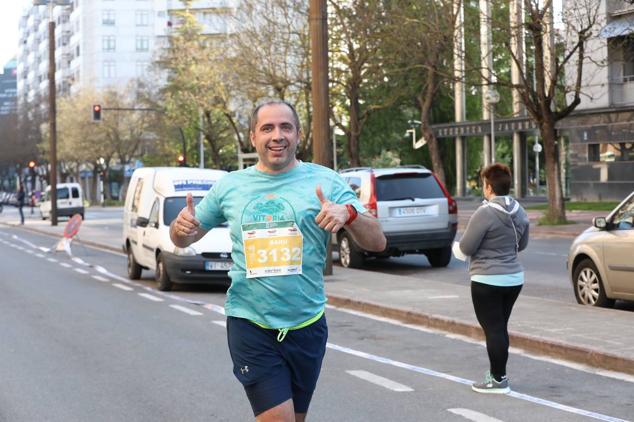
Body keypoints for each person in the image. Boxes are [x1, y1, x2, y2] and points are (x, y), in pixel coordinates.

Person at [170, 99, 386, 421]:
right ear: (253, 137)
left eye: (286, 127)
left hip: (307, 324)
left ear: (298, 134)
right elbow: (185, 237)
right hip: (250, 322)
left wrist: (350, 214)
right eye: (267, 128)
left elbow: (378, 242)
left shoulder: (325, 182)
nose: (277, 135)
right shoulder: (231, 186)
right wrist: (179, 229)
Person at [455, 163, 529, 394]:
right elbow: (522, 244)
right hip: (514, 278)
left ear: (488, 187)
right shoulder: (520, 210)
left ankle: (498, 380)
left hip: (487, 280)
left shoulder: (484, 212)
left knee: (494, 329)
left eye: (483, 185)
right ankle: (497, 374)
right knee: (499, 327)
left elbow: (466, 247)